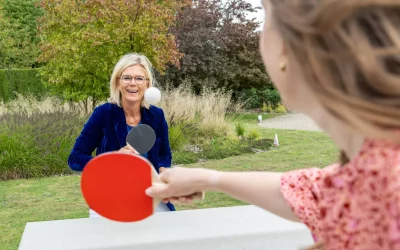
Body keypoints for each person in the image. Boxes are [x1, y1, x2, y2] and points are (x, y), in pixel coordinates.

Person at [145, 0, 400, 249]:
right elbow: (312, 193)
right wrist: (211, 179)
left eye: (266, 15)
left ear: (288, 47)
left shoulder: (389, 186)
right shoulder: (372, 174)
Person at [68, 53, 175, 217]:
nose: (133, 83)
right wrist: (111, 161)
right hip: (110, 199)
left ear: (147, 84)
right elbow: (75, 158)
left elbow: (164, 155)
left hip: (150, 197)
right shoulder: (103, 114)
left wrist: (162, 175)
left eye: (139, 78)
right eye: (127, 78)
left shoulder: (156, 115)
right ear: (118, 83)